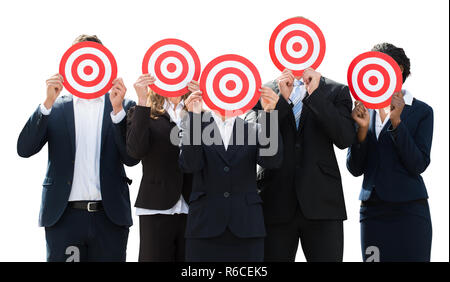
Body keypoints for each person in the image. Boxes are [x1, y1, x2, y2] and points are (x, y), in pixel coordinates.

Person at [17, 35, 139, 262]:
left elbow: (131, 159)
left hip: (110, 219)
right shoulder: (56, 107)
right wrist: (46, 104)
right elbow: (24, 148)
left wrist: (118, 112)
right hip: (64, 219)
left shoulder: (123, 106)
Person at [246, 66, 356, 261]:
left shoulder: (336, 90)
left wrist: (315, 95)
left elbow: (345, 138)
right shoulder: (263, 91)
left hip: (323, 203)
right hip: (274, 200)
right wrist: (281, 101)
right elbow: (256, 141)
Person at [347, 43, 433, 262]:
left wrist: (396, 122)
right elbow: (354, 168)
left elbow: (418, 163)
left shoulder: (422, 111)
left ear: (400, 69)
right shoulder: (362, 110)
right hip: (372, 212)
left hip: (410, 211)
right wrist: (363, 130)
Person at [179, 89, 283, 262]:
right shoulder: (195, 124)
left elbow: (272, 162)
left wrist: (270, 115)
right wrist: (194, 118)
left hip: (246, 228)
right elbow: (190, 164)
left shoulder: (254, 128)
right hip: (204, 227)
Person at [126, 74, 199, 261]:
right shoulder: (143, 111)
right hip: (156, 206)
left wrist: (196, 114)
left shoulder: (199, 111)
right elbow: (135, 151)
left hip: (193, 206)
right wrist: (142, 100)